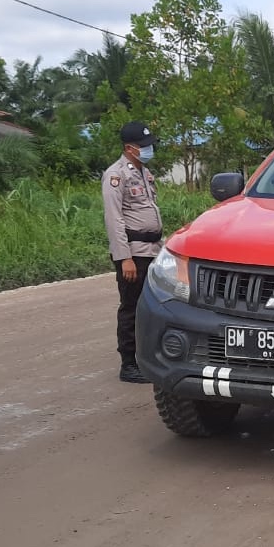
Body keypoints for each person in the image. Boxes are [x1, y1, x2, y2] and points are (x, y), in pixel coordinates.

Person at [102, 121, 163, 384]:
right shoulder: (116, 175)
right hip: (133, 253)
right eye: (144, 146)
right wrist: (124, 257)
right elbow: (114, 219)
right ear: (130, 148)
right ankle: (128, 364)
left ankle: (149, 357)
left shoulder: (145, 173)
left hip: (153, 250)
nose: (149, 150)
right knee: (132, 308)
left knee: (153, 307)